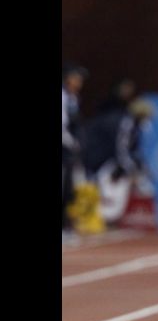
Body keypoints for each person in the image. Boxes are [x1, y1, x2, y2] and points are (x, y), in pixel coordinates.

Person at [62, 62, 89, 233]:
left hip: (69, 151)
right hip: (65, 148)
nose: (79, 83)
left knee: (69, 187)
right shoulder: (63, 96)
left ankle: (66, 224)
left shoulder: (73, 98)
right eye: (76, 79)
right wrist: (73, 143)